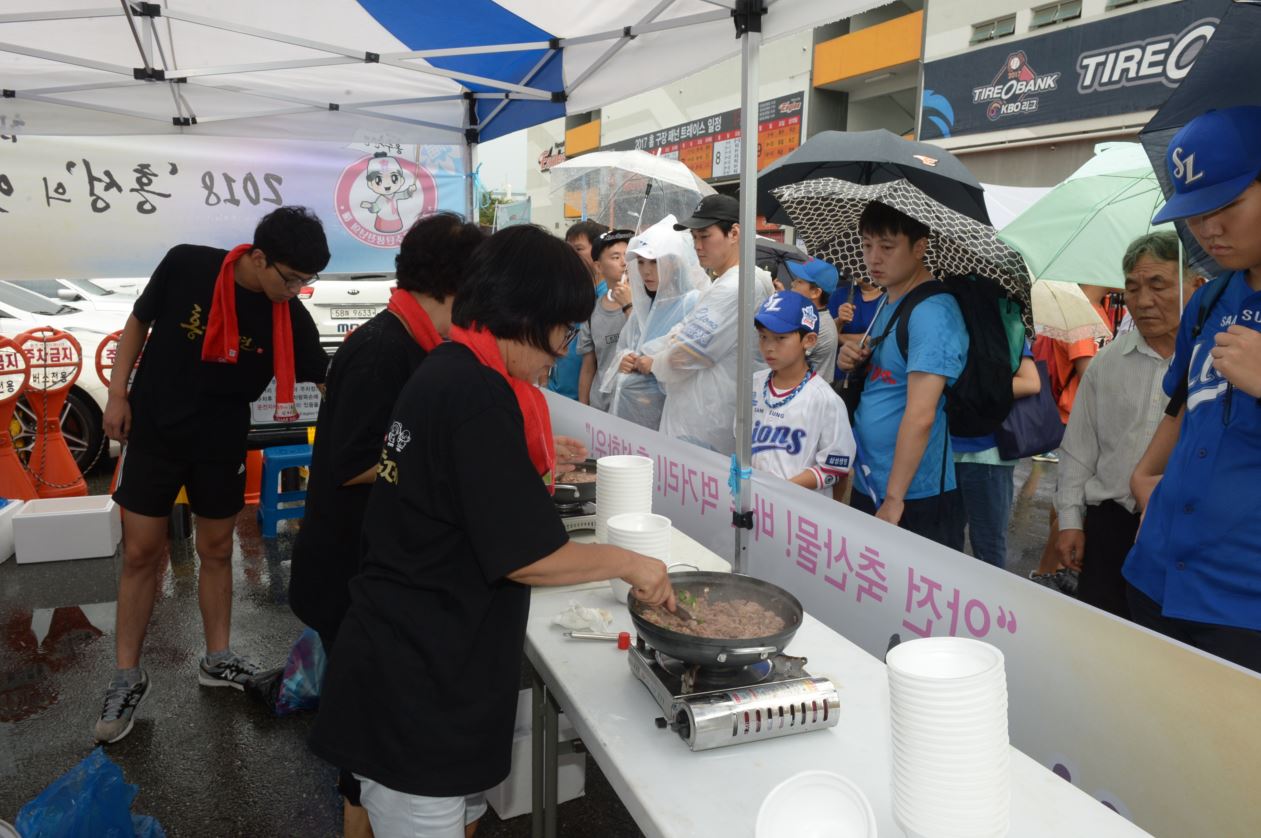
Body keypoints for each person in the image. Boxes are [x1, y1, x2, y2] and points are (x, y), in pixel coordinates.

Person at [308, 225, 675, 837]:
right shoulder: (473, 393)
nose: (558, 355)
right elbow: (527, 556)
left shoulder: (448, 369)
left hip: (427, 662)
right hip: (418, 688)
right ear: (526, 314)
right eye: (560, 334)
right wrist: (633, 563)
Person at [96, 207, 331, 744]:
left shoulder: (289, 314)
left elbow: (325, 377)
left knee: (219, 548)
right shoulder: (187, 265)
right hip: (155, 427)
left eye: (305, 281)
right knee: (140, 552)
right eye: (290, 277)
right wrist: (115, 393)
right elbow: (139, 320)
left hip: (221, 439)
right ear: (258, 256)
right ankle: (127, 674)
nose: (295, 291)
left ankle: (218, 658)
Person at [1123, 106, 1261, 672]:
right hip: (1154, 573)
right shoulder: (1207, 302)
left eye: (1228, 203)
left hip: (1242, 604)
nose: (1209, 228)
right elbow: (1182, 408)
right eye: (1196, 210)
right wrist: (1143, 475)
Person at [1053, 232, 1200, 619]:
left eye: (1158, 285)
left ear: (1196, 286)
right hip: (1109, 527)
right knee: (1099, 638)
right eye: (1132, 288)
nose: (1143, 301)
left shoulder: (1213, 365)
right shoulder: (1107, 362)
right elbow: (1079, 448)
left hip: (1184, 532)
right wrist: (1070, 520)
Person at [838, 201, 967, 549]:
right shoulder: (889, 300)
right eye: (867, 245)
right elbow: (887, 375)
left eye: (887, 247)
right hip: (871, 480)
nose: (873, 258)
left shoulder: (933, 313)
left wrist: (895, 498)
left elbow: (922, 414)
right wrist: (856, 358)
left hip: (913, 497)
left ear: (919, 247)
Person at [635, 194, 773, 454]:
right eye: (694, 238)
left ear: (734, 233)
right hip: (704, 415)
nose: (698, 246)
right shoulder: (730, 281)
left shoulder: (735, 286)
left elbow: (685, 353)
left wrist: (655, 361)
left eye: (705, 236)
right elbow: (682, 332)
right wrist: (676, 343)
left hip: (706, 421)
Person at [601, 216, 708, 430]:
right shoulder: (645, 305)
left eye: (654, 262)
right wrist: (624, 359)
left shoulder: (693, 302)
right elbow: (624, 347)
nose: (646, 271)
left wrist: (654, 363)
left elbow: (693, 361)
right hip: (630, 415)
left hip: (668, 420)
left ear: (674, 263)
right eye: (640, 262)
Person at [749, 290, 854, 498]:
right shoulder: (753, 383)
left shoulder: (825, 399)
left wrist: (781, 489)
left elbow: (836, 468)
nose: (768, 347)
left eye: (780, 338)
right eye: (763, 337)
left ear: (809, 340)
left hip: (798, 512)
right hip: (753, 502)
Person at [947, 344, 1041, 569]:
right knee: (945, 543)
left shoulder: (1004, 326)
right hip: (943, 451)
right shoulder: (944, 320)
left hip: (987, 455)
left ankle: (985, 603)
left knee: (987, 547)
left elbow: (1031, 382)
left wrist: (970, 383)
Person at [549, 220, 607, 399]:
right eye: (568, 249)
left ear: (598, 252)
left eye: (578, 249)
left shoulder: (609, 300)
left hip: (582, 404)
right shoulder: (569, 293)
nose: (570, 255)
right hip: (554, 393)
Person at [578, 228, 634, 409]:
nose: (624, 262)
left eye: (627, 255)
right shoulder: (591, 312)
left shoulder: (647, 304)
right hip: (600, 406)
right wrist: (583, 407)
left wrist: (628, 305)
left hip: (633, 406)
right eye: (616, 257)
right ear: (598, 266)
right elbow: (588, 367)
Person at [785, 257, 840, 384]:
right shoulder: (812, 316)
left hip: (810, 397)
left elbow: (786, 359)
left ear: (815, 292)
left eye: (799, 282)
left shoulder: (816, 324)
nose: (792, 284)